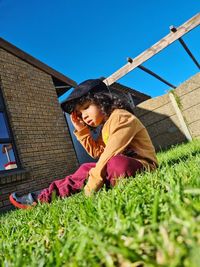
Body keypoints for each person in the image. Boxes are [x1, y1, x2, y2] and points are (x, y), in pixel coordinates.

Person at [9, 79, 158, 209]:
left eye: (86, 107)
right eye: (80, 114)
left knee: (116, 163)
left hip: (142, 165)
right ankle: (42, 197)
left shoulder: (121, 117)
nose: (84, 116)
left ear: (102, 100)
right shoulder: (105, 127)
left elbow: (109, 153)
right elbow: (97, 152)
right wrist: (81, 130)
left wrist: (93, 183)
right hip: (115, 167)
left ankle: (96, 184)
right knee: (85, 167)